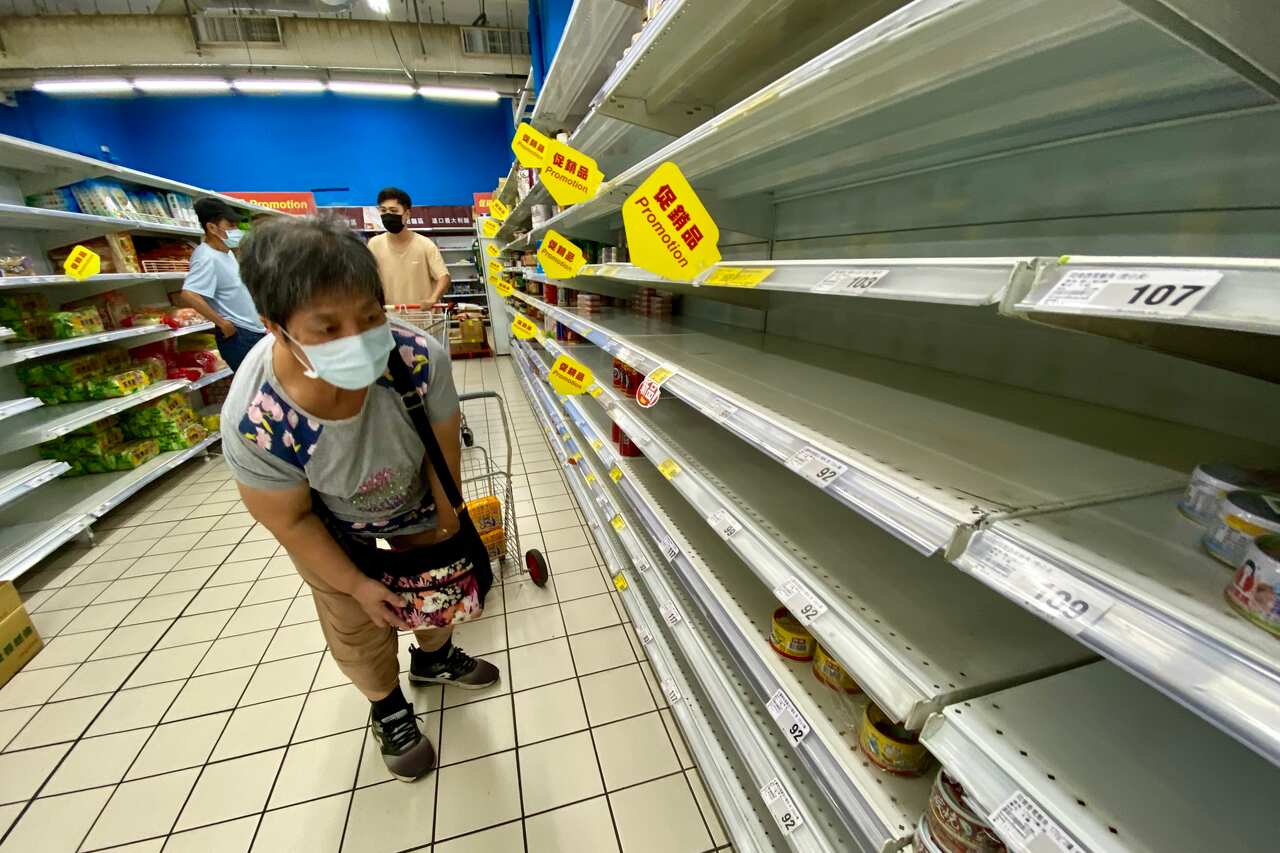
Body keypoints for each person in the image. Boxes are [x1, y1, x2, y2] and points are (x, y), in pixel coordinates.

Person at [220, 215, 498, 781]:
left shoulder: (418, 360)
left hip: (415, 494)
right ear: (276, 327)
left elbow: (443, 451)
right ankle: (387, 706)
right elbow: (292, 521)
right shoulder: (256, 419)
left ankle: (434, 657)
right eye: (327, 328)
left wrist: (444, 537)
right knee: (356, 616)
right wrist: (354, 582)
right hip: (329, 523)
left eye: (370, 316)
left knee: (434, 588)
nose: (359, 338)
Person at [174, 197, 268, 371]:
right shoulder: (205, 256)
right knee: (256, 391)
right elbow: (189, 294)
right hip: (239, 336)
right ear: (211, 227)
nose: (236, 230)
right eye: (230, 225)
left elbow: (235, 291)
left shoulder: (226, 253)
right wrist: (222, 323)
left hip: (252, 331)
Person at [367, 187, 451, 306]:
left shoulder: (425, 244)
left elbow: (444, 278)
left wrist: (433, 299)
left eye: (393, 211)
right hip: (390, 318)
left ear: (407, 214)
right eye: (383, 210)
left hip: (422, 318)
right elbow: (367, 280)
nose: (388, 215)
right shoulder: (374, 245)